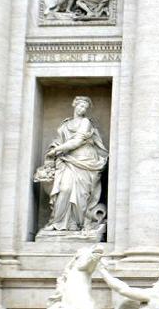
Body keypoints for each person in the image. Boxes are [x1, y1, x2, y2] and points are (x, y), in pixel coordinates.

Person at [38, 96, 108, 232]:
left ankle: (75, 224)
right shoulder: (65, 124)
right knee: (64, 189)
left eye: (85, 108)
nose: (82, 109)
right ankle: (57, 222)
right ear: (74, 105)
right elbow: (59, 140)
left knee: (81, 195)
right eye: (80, 106)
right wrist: (54, 147)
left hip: (85, 160)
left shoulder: (86, 122)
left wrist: (57, 150)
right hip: (67, 160)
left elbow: (77, 141)